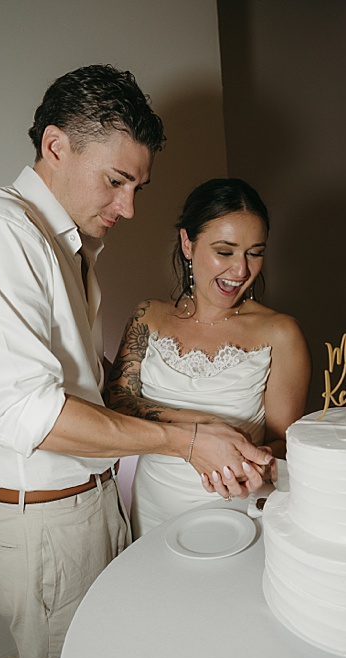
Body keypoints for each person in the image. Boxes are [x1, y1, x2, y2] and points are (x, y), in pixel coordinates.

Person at [0, 65, 273, 658]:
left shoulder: (67, 246)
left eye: (137, 187)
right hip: (48, 522)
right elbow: (31, 415)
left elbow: (91, 384)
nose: (129, 208)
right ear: (56, 146)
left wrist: (188, 414)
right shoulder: (2, 232)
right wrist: (187, 441)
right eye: (116, 181)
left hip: (97, 506)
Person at [106, 178, 310, 537]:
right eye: (225, 252)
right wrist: (203, 424)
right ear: (188, 243)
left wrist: (260, 464)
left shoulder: (281, 333)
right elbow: (117, 401)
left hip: (236, 509)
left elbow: (285, 443)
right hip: (154, 508)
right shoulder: (148, 315)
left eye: (255, 253)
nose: (241, 271)